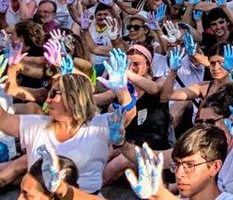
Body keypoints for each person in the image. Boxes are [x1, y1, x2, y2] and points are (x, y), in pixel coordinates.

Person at [0, 67, 135, 193]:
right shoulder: (37, 125)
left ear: (72, 98)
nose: (48, 99)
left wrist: (121, 90)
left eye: (53, 93)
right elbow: (3, 120)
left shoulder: (97, 126)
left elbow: (127, 115)